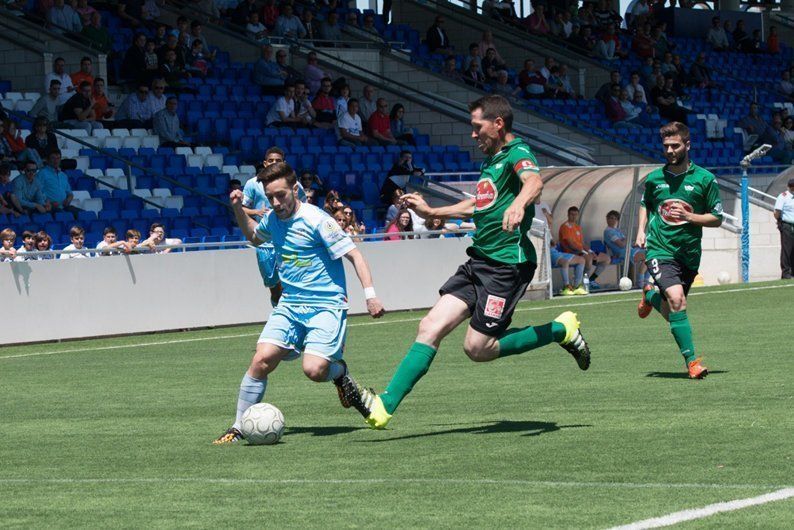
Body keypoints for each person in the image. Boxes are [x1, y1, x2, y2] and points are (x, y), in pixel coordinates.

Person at [344, 95, 591, 430]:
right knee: (429, 326)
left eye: (477, 127)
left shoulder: (517, 153)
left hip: (508, 265)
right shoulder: (490, 162)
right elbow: (479, 205)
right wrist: (433, 212)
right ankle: (384, 407)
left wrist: (519, 204)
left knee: (478, 348)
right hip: (479, 262)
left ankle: (561, 329)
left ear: (498, 123)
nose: (473, 135)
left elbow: (534, 182)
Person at [214, 161, 386, 444]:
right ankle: (238, 427)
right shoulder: (273, 219)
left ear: (294, 189)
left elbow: (354, 255)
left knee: (314, 370)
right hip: (290, 304)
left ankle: (340, 373)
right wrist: (237, 209)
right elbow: (255, 237)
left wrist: (370, 296)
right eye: (270, 197)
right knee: (261, 359)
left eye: (280, 194)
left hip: (326, 306)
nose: (275, 202)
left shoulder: (318, 220)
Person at [635, 121, 723, 379]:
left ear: (687, 145)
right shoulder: (654, 179)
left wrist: (690, 216)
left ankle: (650, 296)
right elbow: (645, 203)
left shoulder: (705, 179)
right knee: (676, 300)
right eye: (666, 146)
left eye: (675, 145)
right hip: (660, 251)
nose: (670, 150)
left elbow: (717, 218)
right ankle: (692, 362)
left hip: (689, 255)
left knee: (673, 308)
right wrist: (641, 231)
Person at [559, 206, 610, 289]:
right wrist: (587, 253)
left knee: (606, 258)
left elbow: (582, 243)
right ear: (568, 215)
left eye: (575, 214)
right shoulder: (565, 227)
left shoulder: (577, 227)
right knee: (589, 259)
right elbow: (570, 244)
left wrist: (591, 251)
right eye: (572, 214)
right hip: (571, 252)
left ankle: (591, 280)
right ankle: (581, 283)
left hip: (582, 251)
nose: (574, 216)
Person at [604, 210, 647, 288]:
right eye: (611, 218)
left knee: (652, 254)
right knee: (648, 256)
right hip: (622, 253)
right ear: (607, 219)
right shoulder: (608, 232)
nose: (613, 220)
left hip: (629, 250)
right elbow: (621, 244)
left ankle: (645, 281)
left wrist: (626, 242)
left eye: (615, 219)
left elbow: (625, 241)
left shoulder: (617, 230)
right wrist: (625, 240)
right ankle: (641, 282)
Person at [37, 150, 78, 215]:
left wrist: (68, 200)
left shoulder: (63, 175)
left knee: (85, 214)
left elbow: (70, 193)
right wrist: (48, 202)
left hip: (64, 207)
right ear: (47, 160)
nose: (56, 161)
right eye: (53, 158)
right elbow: (37, 191)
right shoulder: (42, 173)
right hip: (49, 207)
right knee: (63, 215)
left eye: (58, 158)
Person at [774, 178, 794, 279]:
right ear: (791, 187)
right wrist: (780, 222)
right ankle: (786, 272)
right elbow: (777, 212)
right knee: (787, 249)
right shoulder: (783, 197)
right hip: (787, 225)